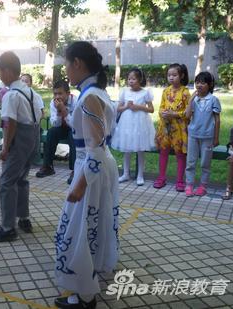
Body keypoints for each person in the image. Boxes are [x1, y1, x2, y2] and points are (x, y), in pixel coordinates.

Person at [53, 41, 119, 309]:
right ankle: (84, 290)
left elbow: (96, 148)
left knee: (80, 230)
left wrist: (79, 184)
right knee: (89, 227)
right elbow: (90, 137)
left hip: (90, 169)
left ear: (77, 63)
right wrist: (67, 116)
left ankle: (85, 295)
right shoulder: (95, 93)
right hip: (96, 168)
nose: (66, 70)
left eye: (66, 64)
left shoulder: (90, 96)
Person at [0, 51, 43, 243]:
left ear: (8, 71)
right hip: (34, 136)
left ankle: (7, 227)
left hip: (19, 139)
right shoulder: (31, 91)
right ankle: (24, 219)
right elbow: (41, 114)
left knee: (6, 182)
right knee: (21, 179)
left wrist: (5, 148)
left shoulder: (11, 95)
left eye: (0, 71)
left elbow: (10, 123)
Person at [111, 68, 156, 186]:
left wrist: (139, 107)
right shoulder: (125, 91)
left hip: (141, 123)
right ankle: (126, 173)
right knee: (127, 148)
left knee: (140, 149)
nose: (131, 81)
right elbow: (118, 108)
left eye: (133, 79)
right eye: (129, 79)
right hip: (127, 123)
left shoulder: (145, 93)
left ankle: (140, 175)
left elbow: (151, 109)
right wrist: (126, 106)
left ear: (140, 79)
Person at [154, 63, 191, 191]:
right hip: (165, 128)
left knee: (180, 154)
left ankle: (180, 181)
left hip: (179, 130)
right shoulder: (165, 91)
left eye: (174, 75)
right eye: (169, 75)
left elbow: (188, 113)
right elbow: (160, 108)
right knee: (163, 152)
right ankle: (161, 177)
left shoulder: (185, 92)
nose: (171, 77)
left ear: (181, 76)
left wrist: (174, 114)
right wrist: (163, 113)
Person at [184, 72, 221, 197]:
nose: (199, 85)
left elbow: (217, 120)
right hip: (193, 135)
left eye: (203, 82)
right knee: (190, 162)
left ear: (210, 85)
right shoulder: (194, 99)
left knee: (205, 163)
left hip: (208, 137)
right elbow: (188, 116)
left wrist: (216, 137)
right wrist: (190, 101)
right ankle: (189, 185)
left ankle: (203, 186)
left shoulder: (213, 100)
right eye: (197, 82)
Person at [36, 80, 77, 184]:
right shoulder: (53, 103)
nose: (57, 96)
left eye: (60, 93)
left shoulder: (76, 102)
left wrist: (64, 110)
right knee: (51, 132)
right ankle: (48, 166)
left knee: (73, 136)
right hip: (62, 126)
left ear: (68, 93)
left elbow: (75, 125)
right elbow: (55, 124)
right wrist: (59, 112)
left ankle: (75, 170)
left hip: (74, 128)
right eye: (55, 94)